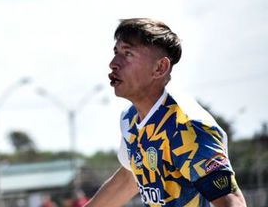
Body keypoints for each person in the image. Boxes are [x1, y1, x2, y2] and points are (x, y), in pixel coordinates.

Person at [85, 18, 246, 207]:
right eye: (116, 52)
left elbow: (232, 202)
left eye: (128, 53)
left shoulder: (188, 127)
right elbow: (130, 178)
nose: (113, 63)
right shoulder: (130, 120)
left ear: (160, 68)